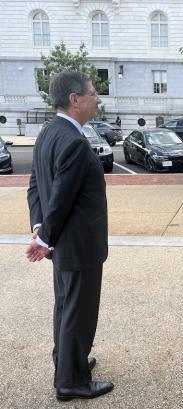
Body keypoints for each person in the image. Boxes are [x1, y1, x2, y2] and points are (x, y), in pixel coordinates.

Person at [26, 71, 114, 401]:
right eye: (93, 93)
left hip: (62, 243)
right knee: (78, 312)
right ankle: (70, 382)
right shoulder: (74, 141)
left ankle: (69, 362)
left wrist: (40, 230)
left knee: (66, 307)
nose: (97, 98)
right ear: (75, 99)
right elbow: (60, 196)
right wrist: (44, 237)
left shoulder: (48, 133)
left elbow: (36, 186)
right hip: (78, 244)